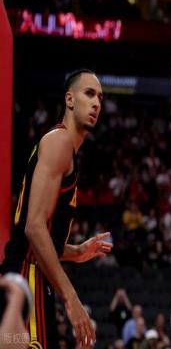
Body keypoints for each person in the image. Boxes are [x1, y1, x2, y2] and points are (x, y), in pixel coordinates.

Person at [0, 69, 113, 349]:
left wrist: (76, 251)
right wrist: (71, 299)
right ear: (69, 99)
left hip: (32, 277)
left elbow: (41, 236)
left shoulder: (64, 149)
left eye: (100, 98)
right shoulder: (59, 141)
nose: (96, 103)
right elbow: (33, 228)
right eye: (89, 94)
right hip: (27, 275)